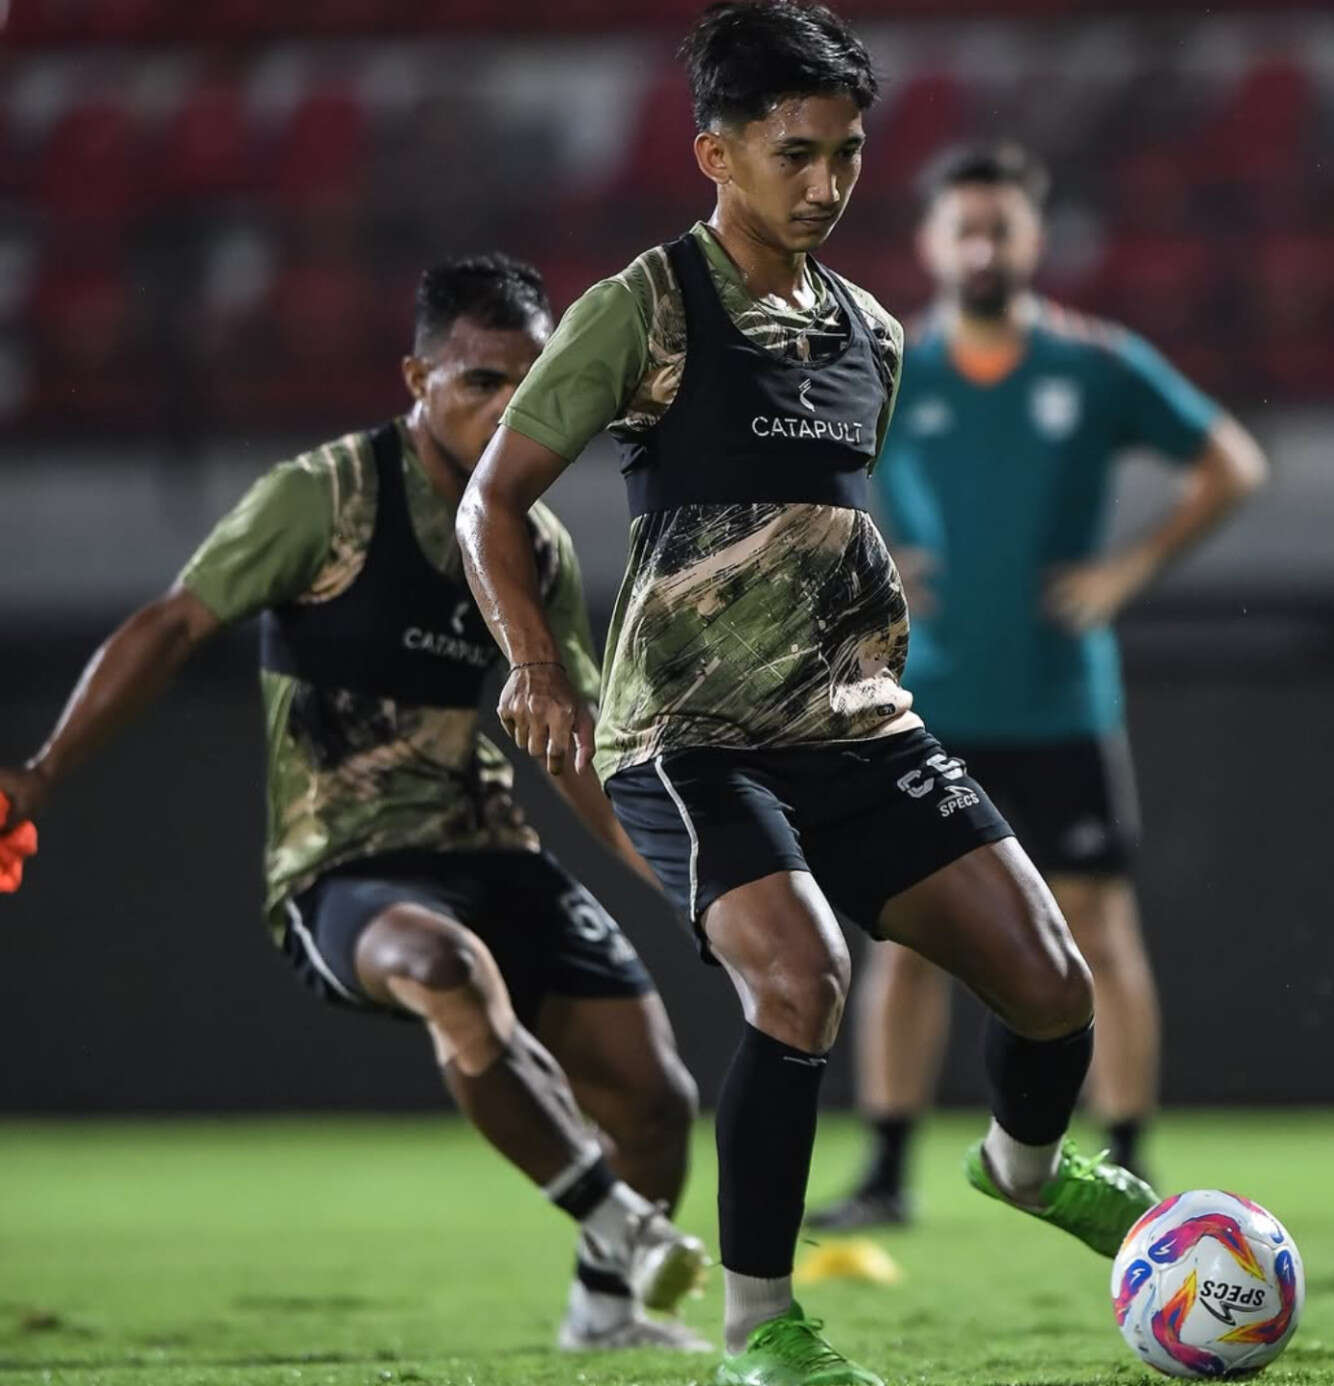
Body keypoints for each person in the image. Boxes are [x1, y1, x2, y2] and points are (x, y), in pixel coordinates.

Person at [456, 6, 1159, 1383]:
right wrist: (538, 664)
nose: (826, 184)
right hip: (689, 740)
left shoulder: (874, 333)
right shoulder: (640, 307)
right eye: (794, 155)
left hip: (856, 725)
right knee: (804, 979)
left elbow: (823, 522)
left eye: (844, 155)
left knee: (1052, 983)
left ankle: (1022, 1168)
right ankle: (759, 1325)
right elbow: (493, 501)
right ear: (714, 151)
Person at [0, 255, 711, 1353]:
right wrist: (39, 774)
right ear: (416, 376)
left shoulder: (537, 544)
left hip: (489, 847)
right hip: (346, 866)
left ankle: (603, 1315)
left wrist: (687, 886)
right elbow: (172, 627)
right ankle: (618, 1225)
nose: (512, 409)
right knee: (447, 974)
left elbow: (574, 744)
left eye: (534, 384)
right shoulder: (324, 496)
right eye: (481, 381)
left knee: (658, 1101)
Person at [809, 143, 1268, 1231]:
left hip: (1061, 698)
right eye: (963, 226)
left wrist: (1130, 569)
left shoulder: (1095, 365)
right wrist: (857, 548)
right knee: (911, 942)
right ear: (928, 243)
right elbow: (794, 471)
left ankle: (1126, 1156)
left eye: (1001, 225)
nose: (982, 243)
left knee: (1099, 930)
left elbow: (1232, 463)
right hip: (921, 703)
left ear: (1033, 238)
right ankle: (885, 1175)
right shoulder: (888, 364)